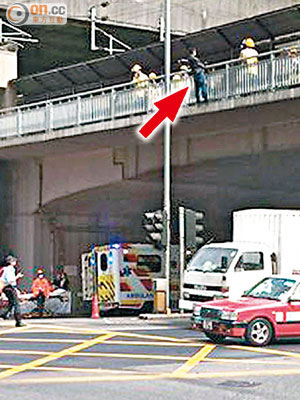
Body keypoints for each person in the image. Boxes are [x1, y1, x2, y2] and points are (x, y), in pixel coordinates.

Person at [1, 255, 25, 327]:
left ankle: (3, 314)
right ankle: (18, 321)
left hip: (6, 287)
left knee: (11, 302)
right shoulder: (10, 269)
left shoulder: (5, 269)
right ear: (10, 262)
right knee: (16, 303)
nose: (15, 262)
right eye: (14, 261)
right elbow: (10, 280)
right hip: (9, 287)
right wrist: (17, 276)